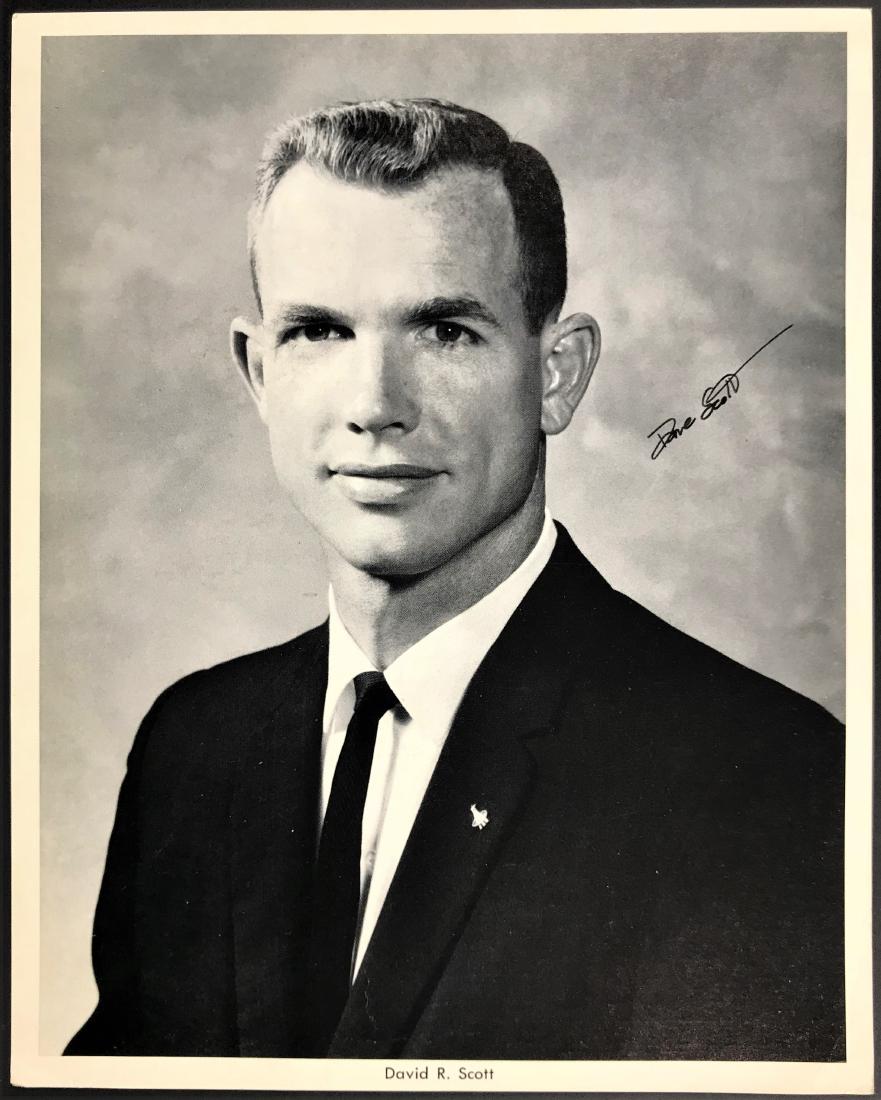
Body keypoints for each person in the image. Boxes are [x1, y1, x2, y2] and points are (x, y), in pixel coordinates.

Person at [65, 98, 844, 1061]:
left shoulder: (758, 777)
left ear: (556, 374)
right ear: (257, 373)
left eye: (443, 330)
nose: (375, 407)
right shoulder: (194, 748)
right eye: (317, 332)